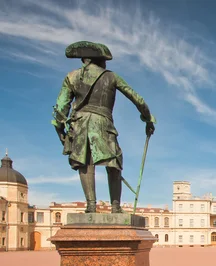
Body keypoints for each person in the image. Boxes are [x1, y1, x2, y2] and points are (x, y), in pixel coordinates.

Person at [52, 41, 156, 213]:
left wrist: (60, 130)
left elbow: (60, 109)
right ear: (98, 60)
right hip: (103, 123)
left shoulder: (71, 77)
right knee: (114, 162)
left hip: (79, 123)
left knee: (84, 161)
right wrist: (147, 118)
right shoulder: (111, 76)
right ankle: (115, 206)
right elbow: (137, 98)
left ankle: (91, 205)